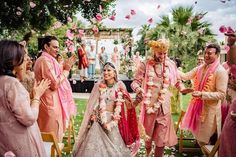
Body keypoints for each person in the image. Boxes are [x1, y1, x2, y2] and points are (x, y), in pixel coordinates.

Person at [72, 62, 139, 157]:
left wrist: (137, 101)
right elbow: (92, 104)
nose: (106, 72)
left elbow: (128, 105)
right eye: (104, 70)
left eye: (109, 70)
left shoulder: (120, 85)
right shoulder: (98, 85)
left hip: (113, 120)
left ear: (115, 73)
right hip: (99, 120)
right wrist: (94, 114)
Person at [131, 39, 185, 157]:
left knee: (161, 139)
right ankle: (148, 151)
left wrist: (183, 89)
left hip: (164, 108)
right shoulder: (145, 64)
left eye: (165, 53)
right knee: (147, 137)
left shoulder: (170, 64)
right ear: (154, 51)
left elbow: (178, 81)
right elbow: (135, 82)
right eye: (160, 53)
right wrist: (138, 89)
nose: (163, 56)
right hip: (149, 106)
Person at [0, 40, 51, 156]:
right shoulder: (12, 84)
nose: (25, 61)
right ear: (14, 60)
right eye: (22, 57)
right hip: (20, 144)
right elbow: (28, 118)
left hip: (4, 143)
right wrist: (37, 96)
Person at [179, 43, 228, 149]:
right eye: (205, 53)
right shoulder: (200, 68)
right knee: (199, 137)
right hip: (197, 108)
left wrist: (202, 94)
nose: (206, 55)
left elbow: (222, 94)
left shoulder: (220, 71)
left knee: (205, 138)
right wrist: (171, 67)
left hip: (210, 111)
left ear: (217, 55)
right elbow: (185, 76)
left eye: (209, 53)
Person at [34, 36, 76, 141]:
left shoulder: (49, 60)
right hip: (49, 103)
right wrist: (66, 70)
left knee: (53, 136)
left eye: (58, 47)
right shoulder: (44, 60)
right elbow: (55, 83)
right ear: (46, 47)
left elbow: (55, 75)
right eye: (55, 47)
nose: (57, 50)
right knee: (51, 137)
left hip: (52, 101)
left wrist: (65, 66)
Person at [219, 32, 236, 157]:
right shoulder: (229, 66)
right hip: (231, 101)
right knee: (228, 138)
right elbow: (231, 63)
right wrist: (231, 43)